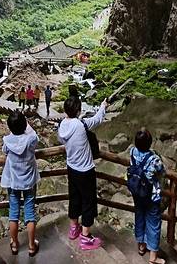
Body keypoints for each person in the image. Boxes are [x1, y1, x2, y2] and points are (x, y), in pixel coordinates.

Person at [57, 95, 107, 251]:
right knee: (88, 202)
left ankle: (74, 228)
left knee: (75, 198)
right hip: (85, 170)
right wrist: (103, 106)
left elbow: (62, 140)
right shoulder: (80, 125)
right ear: (79, 111)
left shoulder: (62, 125)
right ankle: (85, 237)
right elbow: (97, 119)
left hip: (71, 168)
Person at [1, 110, 40, 257]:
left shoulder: (7, 141)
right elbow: (35, 136)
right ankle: (31, 246)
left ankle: (15, 244)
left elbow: (5, 151)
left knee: (13, 214)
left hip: (13, 182)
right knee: (29, 213)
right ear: (24, 125)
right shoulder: (30, 140)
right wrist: (26, 125)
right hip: (29, 181)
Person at [129, 128, 166, 264]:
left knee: (139, 217)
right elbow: (162, 172)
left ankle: (141, 246)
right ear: (150, 143)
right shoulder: (155, 159)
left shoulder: (132, 152)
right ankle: (153, 258)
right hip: (151, 196)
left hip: (137, 193)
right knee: (153, 224)